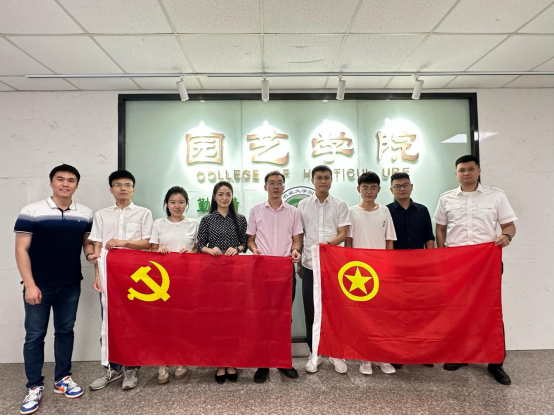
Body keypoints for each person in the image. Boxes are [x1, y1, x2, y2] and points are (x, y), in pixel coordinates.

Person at [15, 164, 94, 415]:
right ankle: (34, 386)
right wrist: (29, 284)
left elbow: (87, 244)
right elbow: (21, 249)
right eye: (60, 179)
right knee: (35, 335)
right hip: (38, 284)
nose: (65, 184)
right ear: (51, 182)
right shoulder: (32, 211)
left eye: (71, 180)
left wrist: (91, 255)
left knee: (65, 331)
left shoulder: (85, 213)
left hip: (70, 284)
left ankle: (62, 379)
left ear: (77, 185)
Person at [434, 155, 517, 385]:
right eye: (462, 170)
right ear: (456, 174)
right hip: (456, 264)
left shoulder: (496, 195)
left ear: (478, 171)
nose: (466, 173)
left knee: (490, 309)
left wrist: (507, 236)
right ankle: (461, 355)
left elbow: (509, 225)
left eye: (471, 169)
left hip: (486, 263)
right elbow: (440, 228)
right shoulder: (446, 198)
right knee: (458, 310)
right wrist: (442, 254)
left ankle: (495, 362)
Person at [88, 170, 153, 391]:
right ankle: (112, 368)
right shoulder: (101, 215)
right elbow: (97, 245)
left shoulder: (144, 213)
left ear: (133, 189)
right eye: (118, 185)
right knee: (108, 320)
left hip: (135, 276)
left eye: (127, 185)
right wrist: (98, 275)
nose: (123, 188)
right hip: (109, 276)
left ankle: (131, 368)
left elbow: (147, 243)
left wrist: (123, 242)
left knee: (133, 321)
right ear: (111, 189)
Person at [246, 171, 303, 383]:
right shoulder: (256, 211)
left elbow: (297, 240)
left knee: (284, 316)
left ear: (284, 186)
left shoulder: (293, 212)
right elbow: (250, 240)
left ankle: (283, 361)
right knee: (263, 316)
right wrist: (254, 249)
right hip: (262, 270)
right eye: (272, 183)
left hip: (285, 270)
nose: (276, 186)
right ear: (265, 187)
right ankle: (263, 363)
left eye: (279, 183)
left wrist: (296, 250)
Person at [297, 165, 351, 374]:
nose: (323, 181)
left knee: (335, 311)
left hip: (333, 267)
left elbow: (343, 233)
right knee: (311, 310)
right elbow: (299, 235)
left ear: (331, 180)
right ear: (312, 180)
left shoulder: (340, 204)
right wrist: (299, 262)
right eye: (319, 177)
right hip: (310, 265)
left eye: (326, 177)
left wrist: (327, 245)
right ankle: (314, 353)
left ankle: (336, 354)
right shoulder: (303, 205)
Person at [345, 171, 397, 375]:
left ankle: (381, 355)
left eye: (373, 187)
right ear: (358, 189)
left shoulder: (384, 211)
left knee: (381, 315)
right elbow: (348, 242)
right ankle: (364, 357)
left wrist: (388, 266)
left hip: (380, 270)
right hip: (359, 274)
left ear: (379, 189)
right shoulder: (351, 212)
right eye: (365, 187)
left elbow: (389, 240)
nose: (369, 191)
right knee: (362, 316)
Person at [197, 181, 247, 384]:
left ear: (232, 197)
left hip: (235, 274)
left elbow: (245, 243)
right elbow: (200, 245)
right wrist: (209, 250)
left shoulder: (240, 219)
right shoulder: (207, 219)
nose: (224, 198)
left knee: (234, 317)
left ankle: (231, 360)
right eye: (220, 194)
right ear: (214, 197)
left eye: (228, 194)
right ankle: (219, 362)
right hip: (213, 274)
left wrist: (238, 249)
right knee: (217, 318)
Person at [150, 186, 199, 384]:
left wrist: (191, 253)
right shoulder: (158, 223)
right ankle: (162, 363)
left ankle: (181, 360)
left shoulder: (194, 224)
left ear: (186, 204)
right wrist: (159, 250)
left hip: (186, 279)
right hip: (162, 281)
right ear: (167, 204)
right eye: (172, 202)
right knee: (162, 321)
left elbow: (198, 250)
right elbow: (152, 250)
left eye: (181, 202)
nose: (177, 206)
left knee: (182, 321)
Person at [386, 172, 435, 370]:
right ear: (391, 189)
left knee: (419, 311)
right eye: (397, 186)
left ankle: (421, 352)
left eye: (405, 185)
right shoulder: (386, 211)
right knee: (396, 312)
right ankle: (397, 353)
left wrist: (430, 263)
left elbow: (429, 237)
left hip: (419, 269)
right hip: (395, 270)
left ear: (411, 186)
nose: (402, 189)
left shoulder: (422, 210)